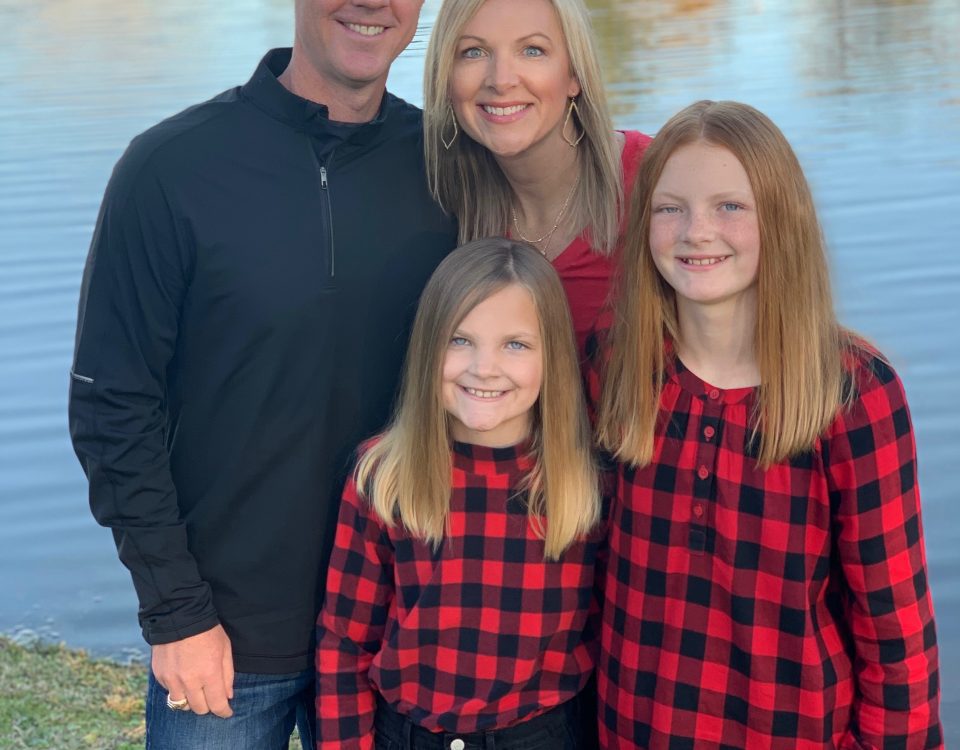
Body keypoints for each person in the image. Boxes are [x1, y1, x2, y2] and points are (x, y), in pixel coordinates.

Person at [68, 1, 456, 747]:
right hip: (227, 641)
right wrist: (176, 612)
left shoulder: (448, 168)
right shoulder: (171, 167)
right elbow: (111, 408)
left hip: (398, 633)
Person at [593, 100, 943, 748]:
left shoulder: (853, 396)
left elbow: (896, 641)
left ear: (781, 220)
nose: (697, 230)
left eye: (730, 206)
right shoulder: (614, 368)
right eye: (671, 207)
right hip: (634, 728)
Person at [316, 238, 604, 749]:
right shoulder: (384, 476)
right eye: (460, 340)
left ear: (552, 356)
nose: (484, 368)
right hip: (407, 734)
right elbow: (345, 641)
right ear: (429, 347)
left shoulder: (584, 484)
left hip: (544, 734)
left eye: (515, 344)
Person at [423, 0, 651, 361]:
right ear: (446, 77)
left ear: (574, 75)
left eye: (532, 50)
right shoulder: (441, 200)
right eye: (473, 51)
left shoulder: (657, 183)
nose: (500, 80)